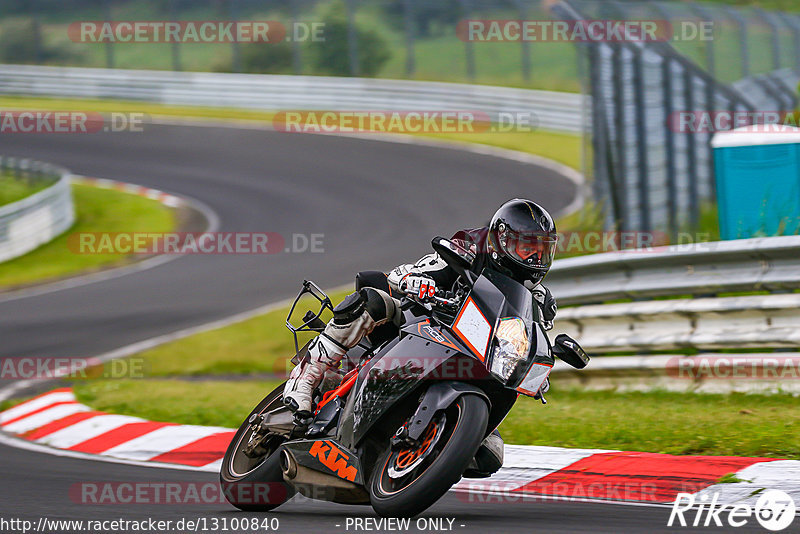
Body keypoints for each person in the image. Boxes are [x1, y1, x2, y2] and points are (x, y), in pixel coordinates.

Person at [282, 198, 559, 476]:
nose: (534, 258)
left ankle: (425, 450)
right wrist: (416, 281)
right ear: (501, 239)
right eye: (526, 247)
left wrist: (535, 366)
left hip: (473, 357)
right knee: (372, 300)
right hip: (421, 319)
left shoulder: (539, 298)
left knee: (489, 455)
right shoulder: (468, 247)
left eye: (541, 249)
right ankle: (307, 376)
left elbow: (527, 337)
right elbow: (403, 274)